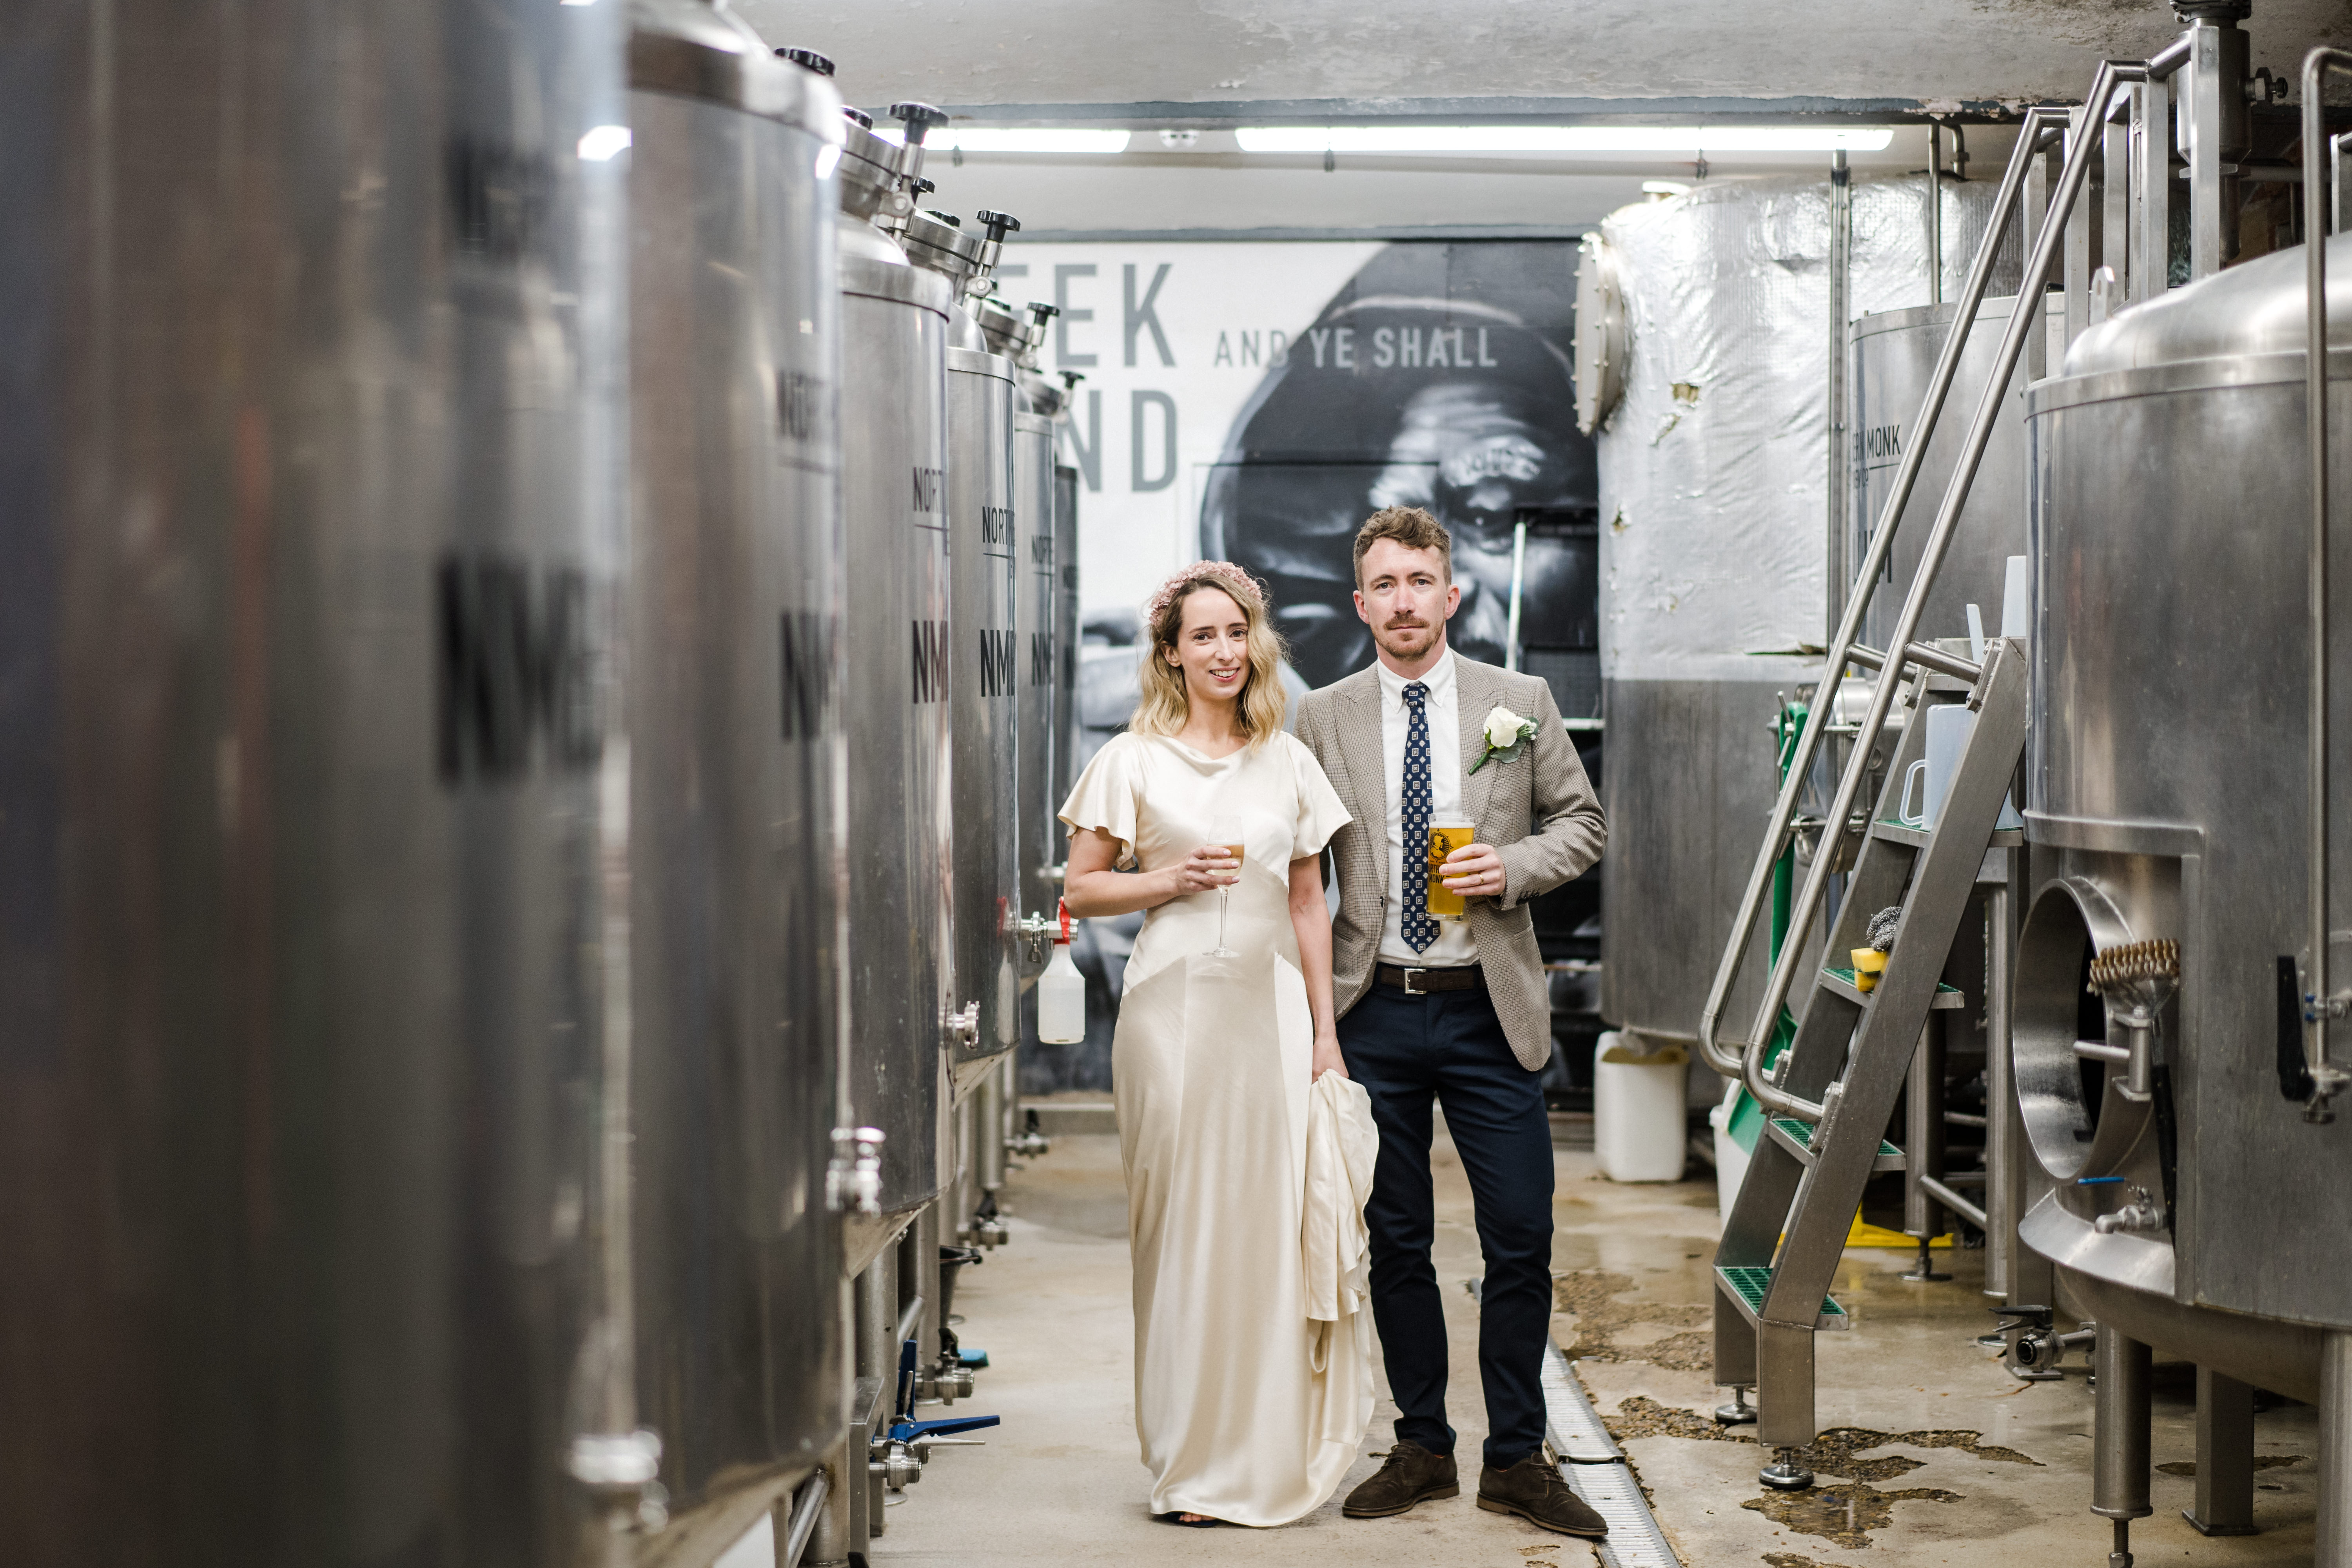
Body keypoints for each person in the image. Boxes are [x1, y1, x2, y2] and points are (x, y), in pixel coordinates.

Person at [1294, 506, 1609, 1538]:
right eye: (1382, 585)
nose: (1402, 602)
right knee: (1395, 1240)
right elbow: (1296, 871)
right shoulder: (1324, 717)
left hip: (1490, 1009)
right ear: (1361, 603)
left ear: (1452, 592)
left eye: (1419, 581)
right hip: (1373, 1007)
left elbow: (1583, 824)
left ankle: (1517, 1458)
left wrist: (1511, 869)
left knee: (1520, 1235)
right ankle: (1422, 1444)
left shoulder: (1519, 702)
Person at [1059, 560, 1375, 1528]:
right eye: (1204, 636)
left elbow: (1308, 899)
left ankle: (1262, 1450)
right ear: (1171, 653)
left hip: (1273, 1016)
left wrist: (1326, 1034)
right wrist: (1167, 880)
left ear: (1256, 642)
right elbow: (1079, 888)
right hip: (1172, 1017)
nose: (1225, 651)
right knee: (1185, 1235)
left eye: (1237, 633)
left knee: (1268, 1234)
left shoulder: (1288, 758)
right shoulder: (1132, 760)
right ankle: (1192, 1465)